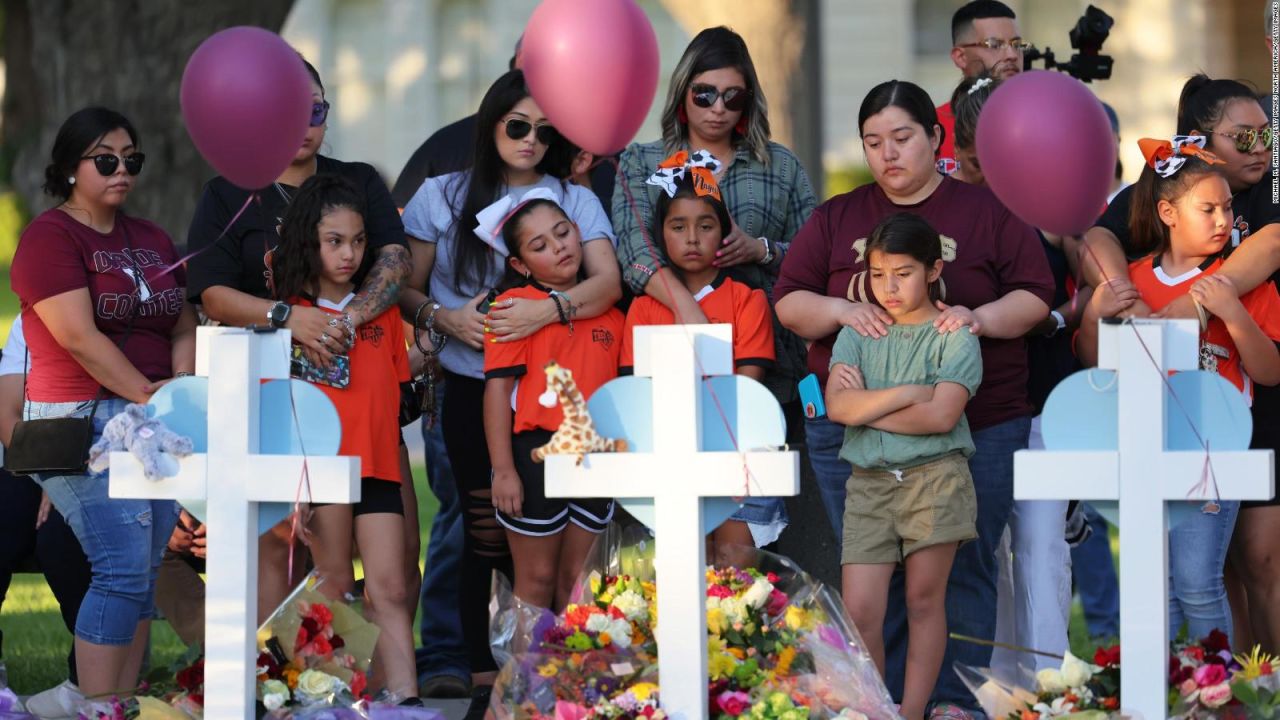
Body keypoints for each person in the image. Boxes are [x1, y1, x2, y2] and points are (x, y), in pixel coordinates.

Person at [773, 80, 1052, 719]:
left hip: (975, 425)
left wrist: (975, 320)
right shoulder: (839, 215)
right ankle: (885, 701)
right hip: (852, 433)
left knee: (963, 567)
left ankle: (954, 702)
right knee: (872, 573)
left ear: (935, 137)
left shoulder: (986, 211)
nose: (887, 154)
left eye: (902, 138)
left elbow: (1036, 294)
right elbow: (790, 299)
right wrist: (845, 308)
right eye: (873, 142)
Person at [398, 69, 621, 683]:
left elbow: (607, 283)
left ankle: (549, 674)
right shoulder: (441, 195)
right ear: (489, 122)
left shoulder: (573, 198)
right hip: (473, 380)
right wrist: (444, 319)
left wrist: (546, 308)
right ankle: (465, 665)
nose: (529, 140)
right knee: (477, 527)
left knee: (561, 545)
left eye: (544, 131)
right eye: (516, 126)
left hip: (560, 395)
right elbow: (404, 288)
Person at [185, 57, 414, 625]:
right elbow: (211, 292)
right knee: (283, 556)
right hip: (277, 403)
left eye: (315, 108)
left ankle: (379, 700)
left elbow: (394, 257)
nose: (304, 122)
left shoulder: (356, 179)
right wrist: (288, 317)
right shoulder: (228, 193)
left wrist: (347, 320)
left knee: (398, 560)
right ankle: (277, 692)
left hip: (362, 395)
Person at [1081, 75, 1280, 652]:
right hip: (1163, 433)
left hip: (1246, 408)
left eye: (1266, 133)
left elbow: (1272, 243)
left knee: (1257, 562)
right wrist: (1123, 298)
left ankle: (1249, 688)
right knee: (1192, 579)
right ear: (1199, 140)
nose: (1261, 147)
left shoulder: (1271, 185)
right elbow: (1096, 236)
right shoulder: (1162, 184)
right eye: (1243, 137)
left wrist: (1197, 302)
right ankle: (1195, 688)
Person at [11, 106, 196, 709]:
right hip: (79, 420)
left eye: (131, 160)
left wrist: (182, 386)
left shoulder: (151, 237)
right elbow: (78, 338)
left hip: (156, 420)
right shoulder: (49, 238)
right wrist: (150, 396)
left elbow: (182, 317)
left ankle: (122, 700)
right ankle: (99, 707)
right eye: (106, 160)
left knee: (142, 574)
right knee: (118, 563)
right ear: (69, 168)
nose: (123, 171)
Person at [614, 26, 816, 540]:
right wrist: (689, 311)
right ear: (682, 95)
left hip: (765, 369)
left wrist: (762, 249)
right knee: (671, 537)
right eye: (704, 94)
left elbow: (818, 260)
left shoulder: (780, 165)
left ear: (749, 100)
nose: (717, 108)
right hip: (666, 373)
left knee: (751, 532)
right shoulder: (643, 162)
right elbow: (632, 252)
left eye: (733, 96)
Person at [950, 71, 1080, 674]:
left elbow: (1093, 281)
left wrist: (1052, 317)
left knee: (1039, 545)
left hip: (1045, 399)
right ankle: (989, 688)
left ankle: (1051, 683)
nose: (982, 168)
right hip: (971, 403)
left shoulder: (1046, 202)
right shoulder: (947, 204)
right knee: (979, 551)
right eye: (973, 157)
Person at [269, 174, 417, 700]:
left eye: (358, 241)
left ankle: (405, 700)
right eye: (334, 241)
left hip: (377, 466)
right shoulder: (288, 317)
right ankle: (326, 699)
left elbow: (392, 388)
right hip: (322, 470)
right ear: (308, 241)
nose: (350, 253)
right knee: (333, 584)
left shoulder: (382, 310)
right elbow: (278, 406)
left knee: (392, 587)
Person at [827, 213, 980, 720]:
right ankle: (873, 710)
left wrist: (869, 407)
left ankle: (912, 713)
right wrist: (907, 395)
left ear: (934, 269)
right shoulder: (859, 330)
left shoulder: (953, 334)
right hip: (868, 485)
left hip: (934, 480)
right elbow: (838, 409)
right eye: (877, 275)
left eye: (903, 273)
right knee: (861, 609)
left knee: (922, 600)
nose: (888, 288)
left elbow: (942, 416)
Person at [619, 152, 777, 555]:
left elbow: (747, 386)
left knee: (733, 577)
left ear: (724, 231)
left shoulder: (747, 300)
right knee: (683, 568)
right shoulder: (644, 307)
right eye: (678, 226)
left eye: (705, 226)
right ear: (661, 233)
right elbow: (637, 390)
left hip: (736, 449)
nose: (692, 238)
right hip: (669, 451)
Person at [483, 193, 623, 610]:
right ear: (520, 265)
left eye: (563, 233)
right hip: (535, 454)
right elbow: (496, 394)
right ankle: (528, 676)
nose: (559, 246)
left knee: (581, 582)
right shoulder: (511, 310)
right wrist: (504, 470)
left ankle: (573, 674)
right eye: (539, 245)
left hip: (597, 455)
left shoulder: (610, 310)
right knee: (537, 578)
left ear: (580, 233)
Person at [0, 315, 94, 719]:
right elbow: (9, 415)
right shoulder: (28, 320)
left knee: (62, 540)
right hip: (33, 459)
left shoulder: (131, 308)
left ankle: (88, 681)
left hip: (103, 458)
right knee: (4, 518)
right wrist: (47, 478)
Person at [936, 1, 1026, 176]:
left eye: (1016, 44)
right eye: (994, 44)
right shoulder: (928, 128)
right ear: (960, 57)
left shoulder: (1044, 121)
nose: (1012, 55)